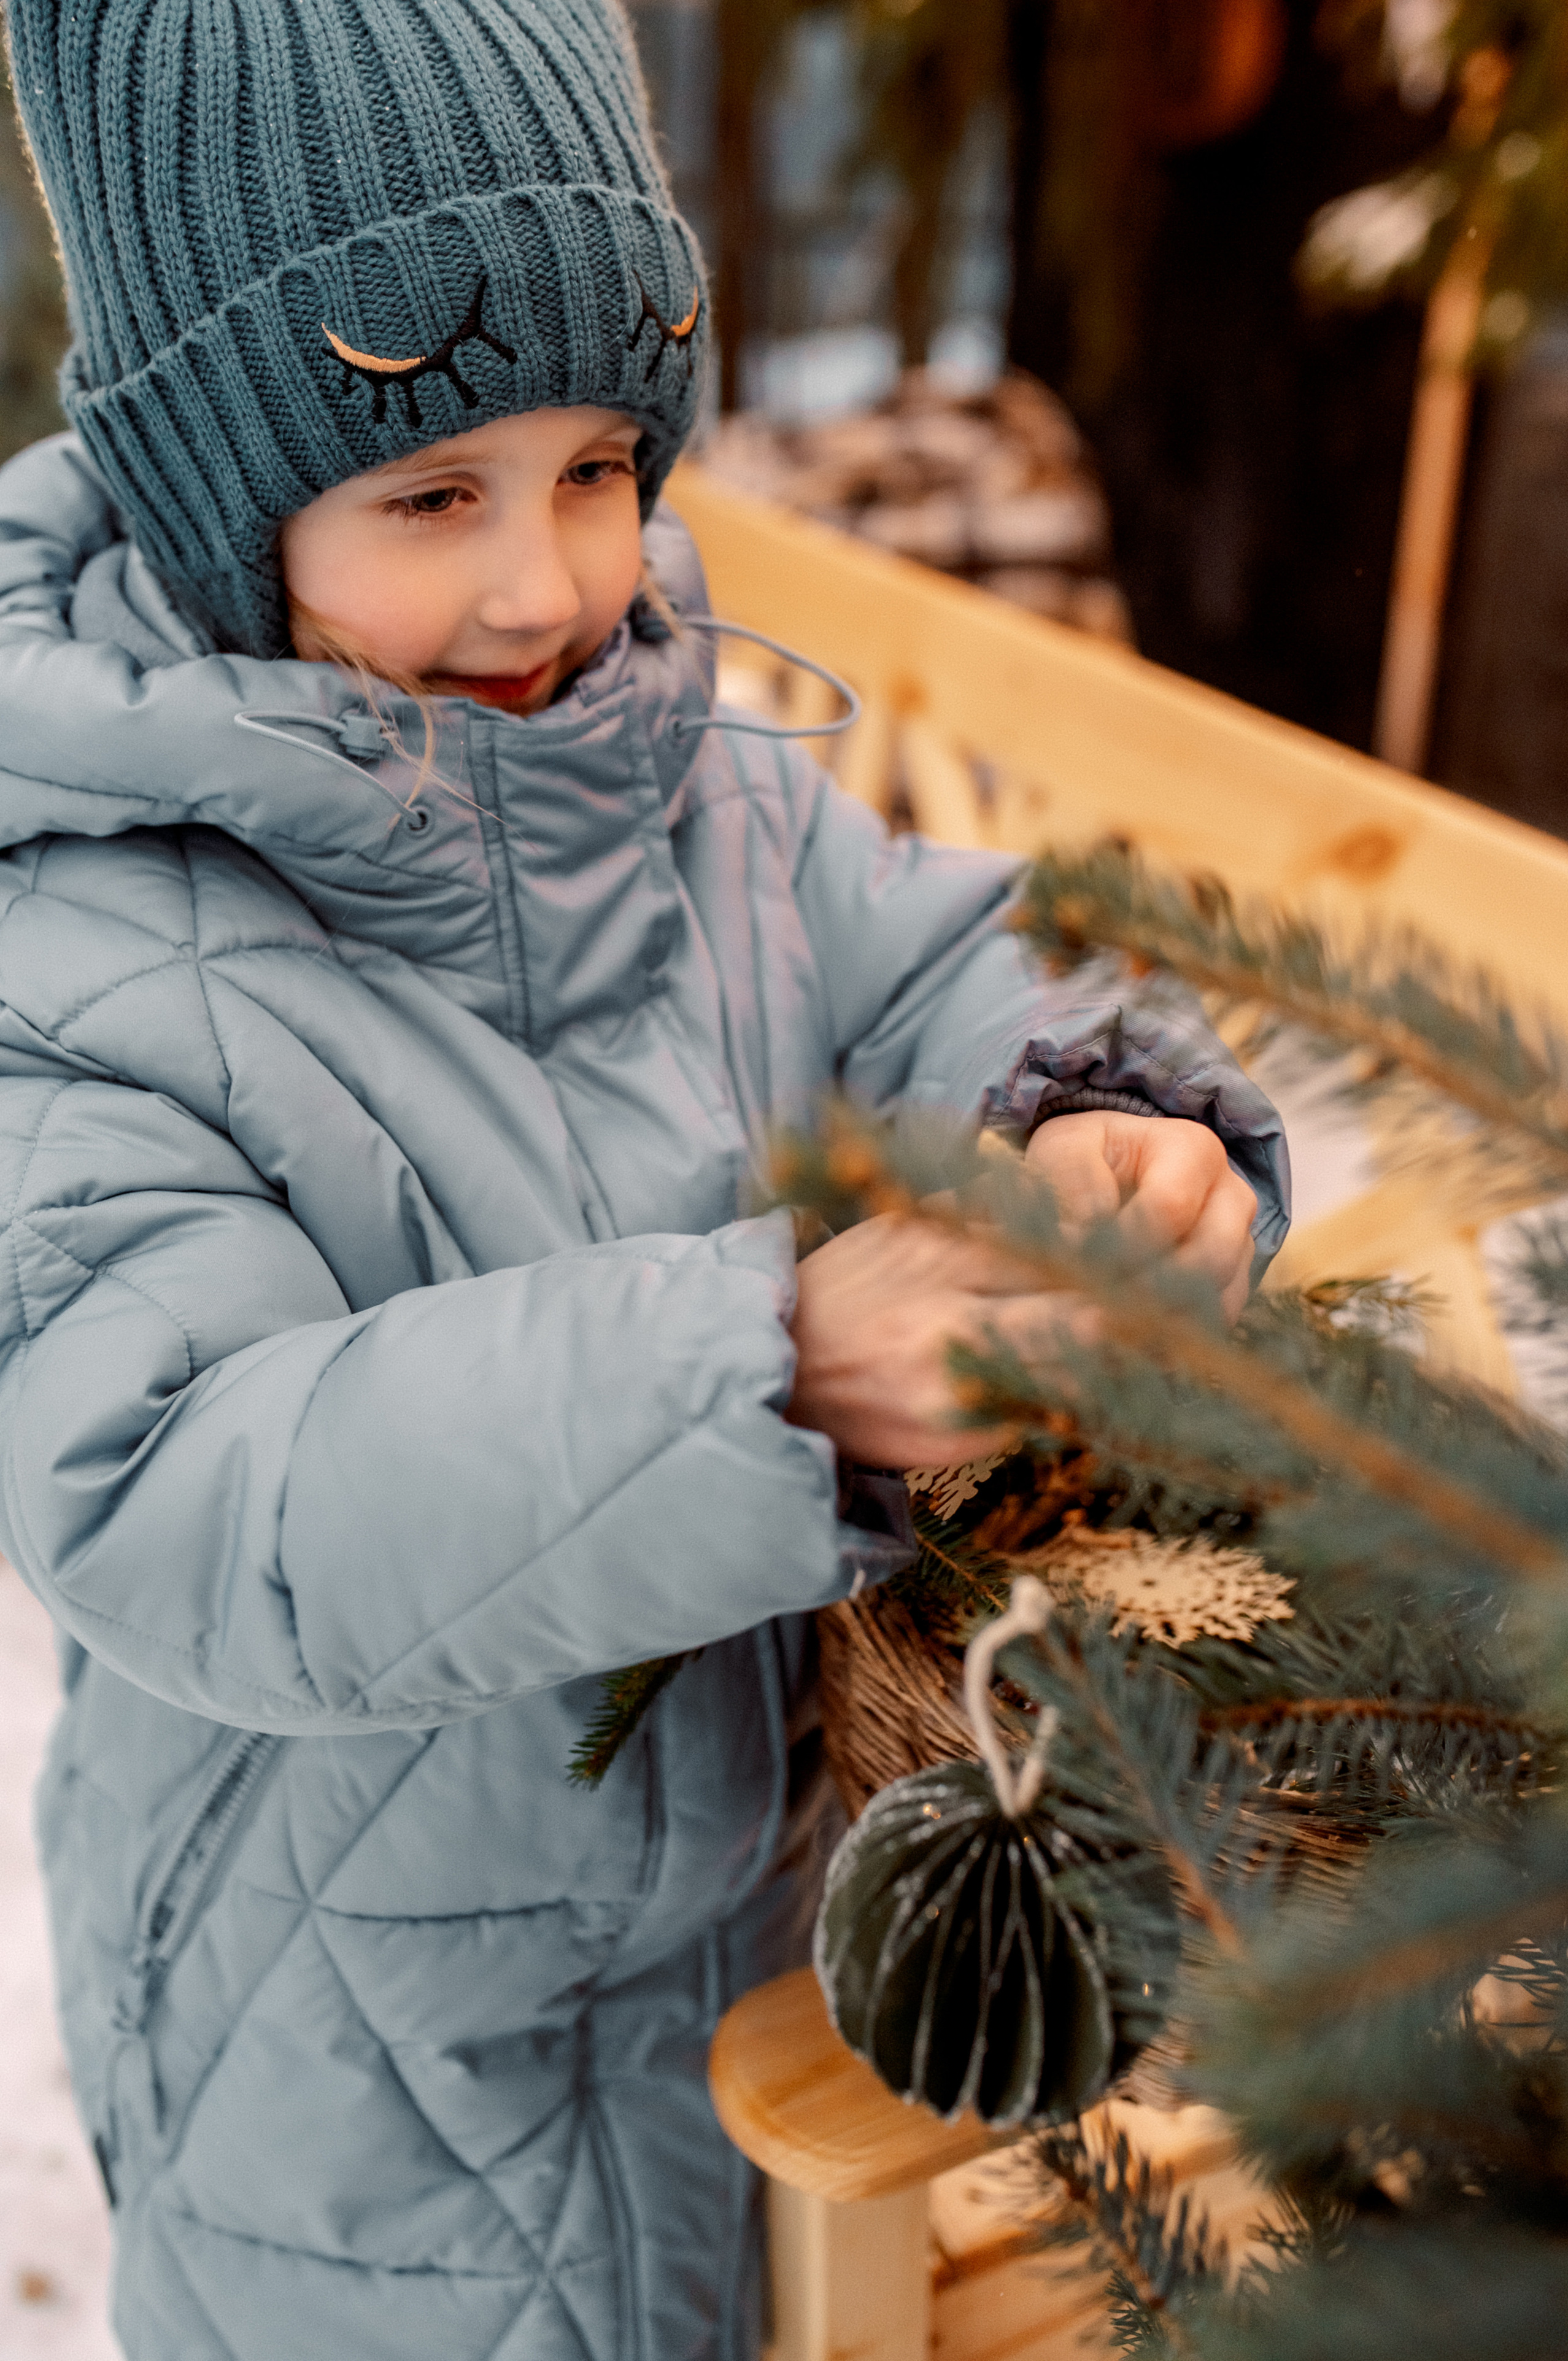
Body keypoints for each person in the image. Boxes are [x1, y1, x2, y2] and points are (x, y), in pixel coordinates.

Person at [0, 3, 1289, 2354]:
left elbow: (956, 973)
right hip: (363, 2079)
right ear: (217, 503)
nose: (548, 586)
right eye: (428, 494)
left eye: (602, 461)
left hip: (762, 1972)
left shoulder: (700, 786)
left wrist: (1102, 1129)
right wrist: (768, 1362)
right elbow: (189, 1485)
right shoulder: (84, 938)